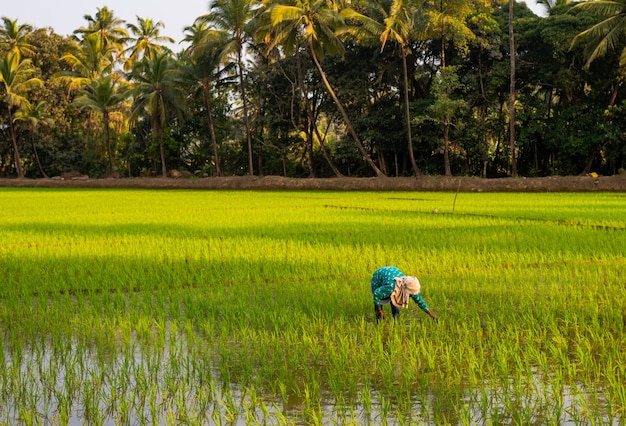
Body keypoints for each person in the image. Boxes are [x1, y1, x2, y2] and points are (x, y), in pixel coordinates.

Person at [370, 266, 438, 321]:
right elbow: (377, 294)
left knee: (395, 301)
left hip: (392, 274)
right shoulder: (391, 287)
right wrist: (379, 310)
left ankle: (396, 320)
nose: (410, 296)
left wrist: (431, 315)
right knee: (381, 299)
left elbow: (420, 301)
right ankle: (379, 320)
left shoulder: (410, 285)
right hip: (379, 276)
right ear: (406, 289)